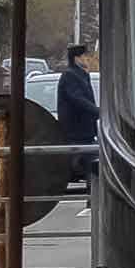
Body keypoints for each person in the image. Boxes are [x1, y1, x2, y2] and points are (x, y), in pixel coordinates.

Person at [55, 42, 100, 185]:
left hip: (85, 132)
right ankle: (93, 198)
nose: (88, 59)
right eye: (85, 56)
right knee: (92, 166)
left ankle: (92, 197)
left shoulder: (81, 75)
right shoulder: (70, 76)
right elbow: (78, 99)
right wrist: (98, 111)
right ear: (77, 58)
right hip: (76, 131)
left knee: (92, 167)